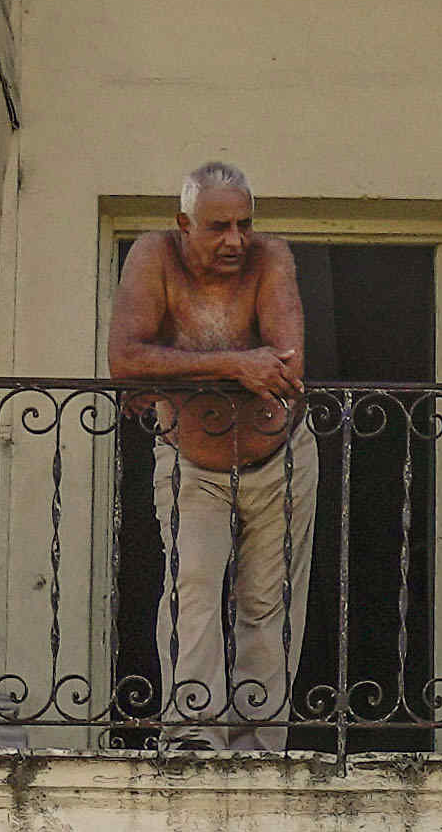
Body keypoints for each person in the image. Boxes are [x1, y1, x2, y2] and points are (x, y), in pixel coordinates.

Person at [117, 162, 315, 745]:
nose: (235, 240)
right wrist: (234, 364)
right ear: (184, 224)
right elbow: (125, 360)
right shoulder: (153, 257)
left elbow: (286, 367)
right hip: (190, 464)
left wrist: (171, 375)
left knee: (266, 604)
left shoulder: (271, 257)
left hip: (279, 458)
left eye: (243, 224)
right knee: (193, 589)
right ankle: (193, 733)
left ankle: (257, 744)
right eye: (219, 226)